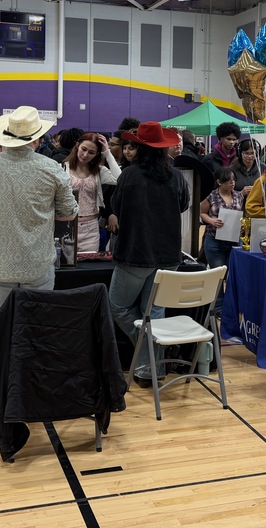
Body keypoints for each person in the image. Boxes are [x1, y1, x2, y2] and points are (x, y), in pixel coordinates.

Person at [0, 106, 79, 405]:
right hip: (38, 263)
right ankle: (31, 387)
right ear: (37, 139)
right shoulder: (52, 169)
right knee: (38, 327)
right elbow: (68, 212)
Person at [109, 122, 190, 389]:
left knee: (117, 307)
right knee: (153, 313)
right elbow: (182, 206)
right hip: (168, 255)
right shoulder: (176, 177)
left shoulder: (129, 175)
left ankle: (147, 362)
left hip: (135, 252)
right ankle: (149, 367)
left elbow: (116, 207)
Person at [63, 132, 122, 254]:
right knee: (65, 268)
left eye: (91, 152)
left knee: (88, 270)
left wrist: (107, 152)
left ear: (96, 155)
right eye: (83, 149)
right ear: (77, 146)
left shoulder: (99, 171)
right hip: (66, 226)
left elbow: (120, 179)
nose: (85, 155)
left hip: (91, 228)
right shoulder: (61, 168)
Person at [199, 166, 245, 317]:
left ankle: (232, 306)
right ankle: (218, 308)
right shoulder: (211, 196)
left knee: (233, 276)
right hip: (215, 241)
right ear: (219, 182)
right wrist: (212, 221)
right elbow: (201, 213)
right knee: (218, 277)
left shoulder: (239, 196)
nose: (232, 183)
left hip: (233, 240)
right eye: (228, 180)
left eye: (233, 179)